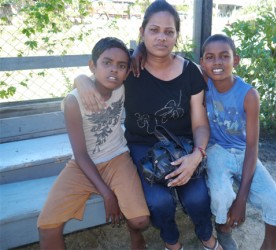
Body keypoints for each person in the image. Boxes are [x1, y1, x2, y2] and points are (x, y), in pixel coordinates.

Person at [74, 2, 223, 250]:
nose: (161, 37)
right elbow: (99, 75)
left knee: (198, 198)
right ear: (142, 32)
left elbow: (200, 123)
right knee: (158, 202)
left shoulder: (191, 73)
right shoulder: (130, 69)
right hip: (142, 145)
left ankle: (207, 238)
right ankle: (172, 243)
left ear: (177, 36)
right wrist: (80, 80)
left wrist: (197, 155)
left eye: (169, 31)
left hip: (182, 146)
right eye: (154, 30)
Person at [37, 37, 150, 250]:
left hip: (117, 158)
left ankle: (136, 237)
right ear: (92, 65)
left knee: (140, 221)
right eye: (106, 63)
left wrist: (140, 46)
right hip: (83, 164)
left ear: (127, 72)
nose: (114, 70)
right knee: (47, 227)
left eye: (121, 66)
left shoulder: (122, 87)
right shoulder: (74, 100)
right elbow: (80, 154)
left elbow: (141, 53)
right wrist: (107, 194)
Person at [200, 34, 276, 250]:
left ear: (235, 60)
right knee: (221, 195)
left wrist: (242, 199)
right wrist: (139, 53)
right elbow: (173, 60)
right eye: (210, 57)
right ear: (203, 63)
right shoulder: (203, 80)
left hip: (243, 152)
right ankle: (223, 230)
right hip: (216, 150)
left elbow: (251, 146)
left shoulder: (248, 95)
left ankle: (269, 245)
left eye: (224, 56)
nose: (217, 63)